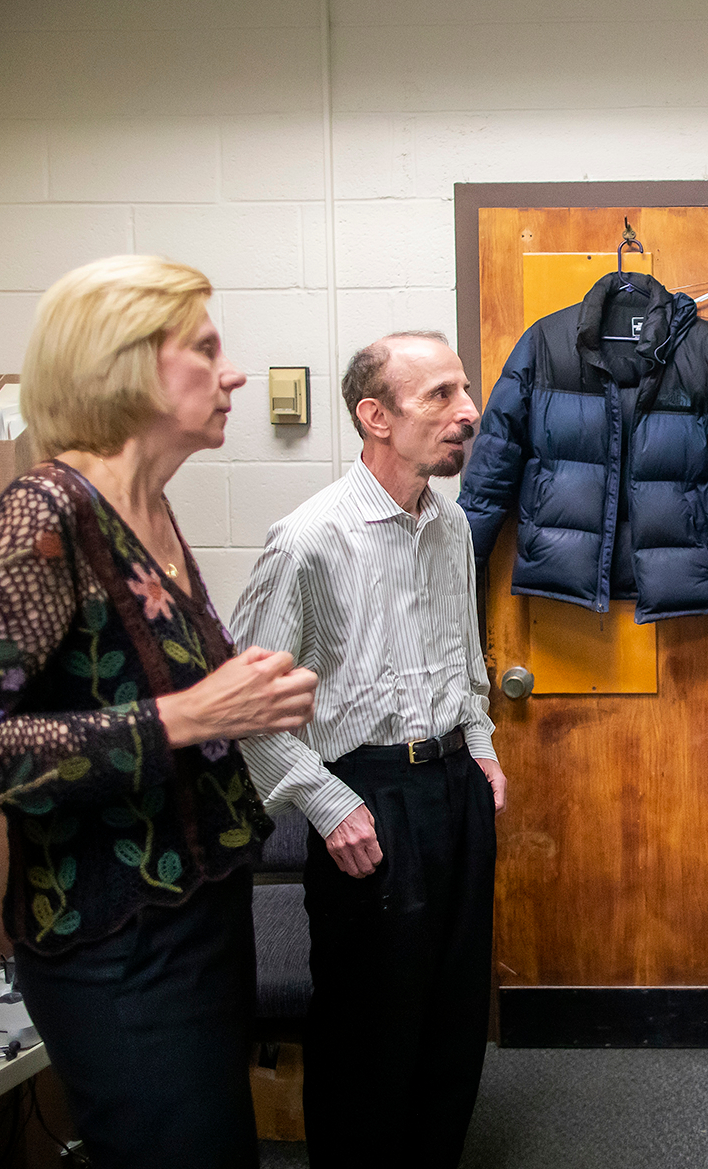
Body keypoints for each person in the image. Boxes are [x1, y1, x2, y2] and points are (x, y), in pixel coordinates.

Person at [0, 254, 319, 1169]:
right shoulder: (44, 511)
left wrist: (242, 703)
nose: (235, 371)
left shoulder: (150, 512)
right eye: (205, 349)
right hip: (115, 946)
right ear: (124, 364)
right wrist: (191, 717)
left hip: (201, 917)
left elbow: (149, 694)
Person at [230, 331, 505, 1168]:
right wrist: (326, 802)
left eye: (465, 391)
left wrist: (482, 743)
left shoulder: (450, 523)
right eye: (442, 397)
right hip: (365, 795)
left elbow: (466, 654)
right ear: (374, 415)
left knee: (454, 1015)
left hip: (453, 784)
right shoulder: (309, 539)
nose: (468, 412)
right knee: (369, 1029)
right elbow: (249, 707)